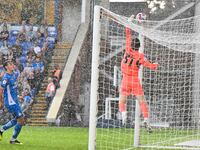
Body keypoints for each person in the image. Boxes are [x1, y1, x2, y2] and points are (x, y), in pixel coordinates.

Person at [118, 16, 158, 132]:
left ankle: (124, 113)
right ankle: (145, 119)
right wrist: (156, 65)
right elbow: (150, 65)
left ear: (131, 45)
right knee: (142, 102)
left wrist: (129, 22)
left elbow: (128, 34)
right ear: (139, 47)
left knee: (122, 100)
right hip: (135, 81)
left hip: (125, 79)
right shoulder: (140, 57)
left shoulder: (127, 50)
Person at [0, 60, 26, 144]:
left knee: (17, 119)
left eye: (12, 64)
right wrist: (1, 101)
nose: (12, 65)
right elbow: (1, 89)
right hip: (10, 102)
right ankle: (13, 140)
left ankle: (2, 130)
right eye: (10, 64)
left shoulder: (13, 75)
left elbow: (12, 90)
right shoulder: (6, 77)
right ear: (6, 67)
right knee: (21, 120)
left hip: (15, 101)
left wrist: (19, 96)